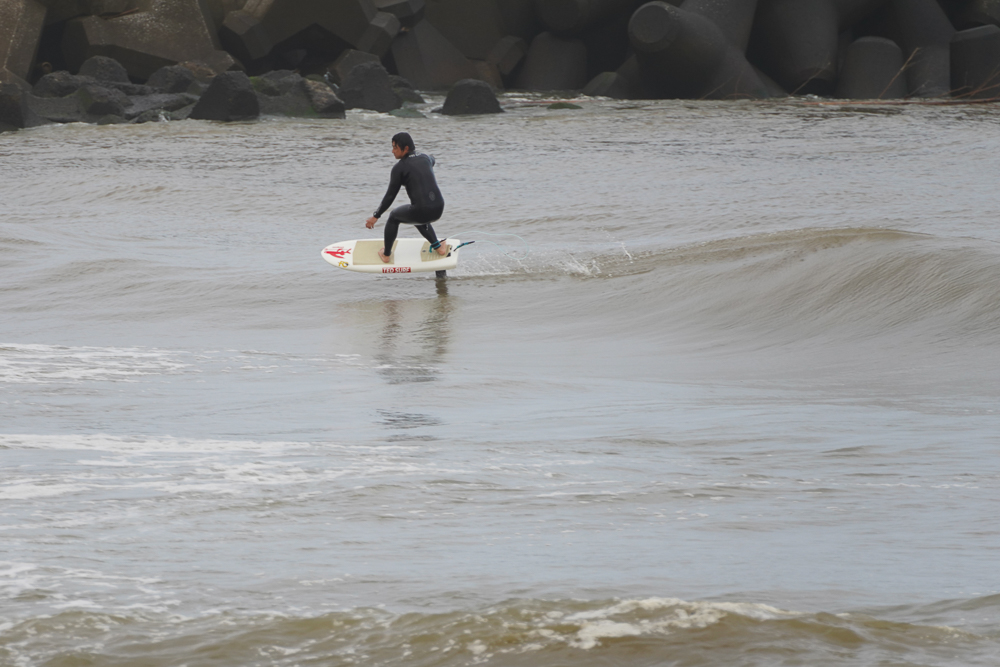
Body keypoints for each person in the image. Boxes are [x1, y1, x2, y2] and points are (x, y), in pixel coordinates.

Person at [366, 132, 449, 263]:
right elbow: (433, 159)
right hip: (439, 208)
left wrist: (376, 215)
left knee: (394, 217)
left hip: (423, 211)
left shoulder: (399, 168)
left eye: (395, 148)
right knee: (416, 214)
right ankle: (439, 248)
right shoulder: (425, 158)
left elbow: (390, 195)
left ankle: (386, 254)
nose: (392, 151)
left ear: (405, 148)